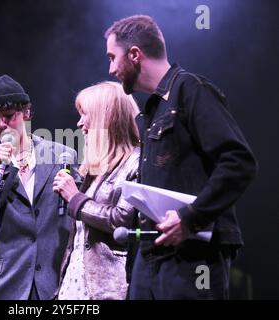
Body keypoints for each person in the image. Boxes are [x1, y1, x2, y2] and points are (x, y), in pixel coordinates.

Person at [105, 15, 258, 299]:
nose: (111, 68)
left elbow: (238, 161)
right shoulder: (149, 113)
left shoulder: (191, 90)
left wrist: (191, 218)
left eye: (113, 57)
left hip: (193, 257)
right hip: (152, 256)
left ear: (135, 55)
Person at [0, 74, 76, 300]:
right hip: (5, 285)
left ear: (26, 113)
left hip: (57, 281)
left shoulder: (62, 155)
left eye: (9, 116)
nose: (2, 124)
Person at [53, 81, 140, 300]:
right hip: (75, 285)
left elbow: (123, 220)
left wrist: (76, 199)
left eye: (85, 114)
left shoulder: (136, 162)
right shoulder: (95, 170)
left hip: (109, 289)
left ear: (106, 117)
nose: (80, 123)